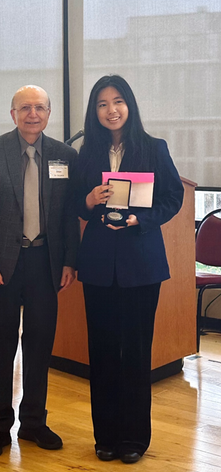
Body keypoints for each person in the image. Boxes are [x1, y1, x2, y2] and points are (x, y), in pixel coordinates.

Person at [75, 75, 184, 464]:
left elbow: (174, 197)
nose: (111, 110)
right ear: (95, 111)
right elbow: (74, 203)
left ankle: (135, 438)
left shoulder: (154, 148)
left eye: (117, 101)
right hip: (100, 264)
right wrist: (88, 200)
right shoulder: (86, 153)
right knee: (102, 352)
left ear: (130, 105)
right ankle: (105, 435)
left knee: (136, 352)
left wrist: (143, 219)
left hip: (141, 265)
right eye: (102, 104)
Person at [0, 85, 79, 458]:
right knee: (0, 348)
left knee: (39, 347)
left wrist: (70, 261)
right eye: (25, 108)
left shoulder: (65, 155)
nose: (33, 114)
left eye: (40, 108)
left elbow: (67, 216)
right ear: (12, 113)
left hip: (45, 262)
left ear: (49, 113)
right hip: (1, 265)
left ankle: (33, 422)